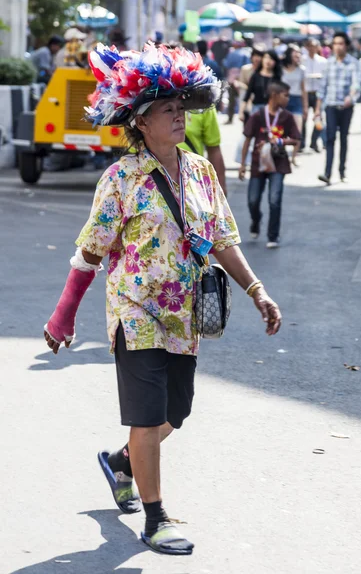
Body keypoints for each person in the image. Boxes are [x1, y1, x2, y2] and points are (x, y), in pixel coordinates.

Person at [43, 42, 282, 556]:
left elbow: (222, 239)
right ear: (140, 121)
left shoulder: (200, 172)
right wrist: (63, 317)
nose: (179, 116)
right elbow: (89, 252)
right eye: (166, 109)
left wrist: (258, 291)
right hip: (136, 311)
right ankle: (155, 517)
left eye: (181, 107)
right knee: (147, 415)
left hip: (185, 315)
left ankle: (122, 463)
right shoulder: (120, 179)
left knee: (179, 409)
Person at [239, 81, 301, 247]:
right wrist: (242, 165)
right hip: (258, 163)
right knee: (253, 200)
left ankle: (273, 235)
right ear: (275, 95)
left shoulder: (287, 117)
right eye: (285, 95)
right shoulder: (258, 115)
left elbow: (296, 139)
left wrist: (280, 141)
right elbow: (247, 140)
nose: (288, 99)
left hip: (278, 163)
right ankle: (256, 220)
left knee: (275, 199)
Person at [315, 31, 361, 185]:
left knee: (343, 138)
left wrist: (351, 97)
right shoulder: (328, 63)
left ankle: (342, 171)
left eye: (341, 43)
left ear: (346, 46)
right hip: (331, 105)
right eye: (335, 44)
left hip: (346, 107)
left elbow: (356, 84)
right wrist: (317, 109)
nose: (338, 47)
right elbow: (322, 88)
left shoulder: (353, 63)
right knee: (330, 138)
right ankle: (327, 172)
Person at [178, 107, 227, 195]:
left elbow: (214, 149)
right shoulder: (151, 100)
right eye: (168, 110)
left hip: (193, 183)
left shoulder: (204, 102)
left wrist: (220, 188)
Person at [282, 45, 308, 165]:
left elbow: (304, 89)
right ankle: (280, 154)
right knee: (279, 130)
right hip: (282, 100)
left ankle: (294, 156)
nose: (298, 55)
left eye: (299, 52)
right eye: (295, 52)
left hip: (296, 100)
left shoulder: (301, 69)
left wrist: (305, 106)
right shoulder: (280, 68)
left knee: (298, 130)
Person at [239, 49, 282, 120]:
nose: (268, 61)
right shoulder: (255, 76)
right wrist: (241, 111)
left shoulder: (277, 77)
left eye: (271, 59)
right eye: (266, 58)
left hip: (272, 109)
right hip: (256, 109)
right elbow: (247, 95)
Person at [302, 39, 327, 152]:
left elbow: (325, 77)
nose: (312, 49)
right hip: (306, 92)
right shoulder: (302, 60)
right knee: (303, 118)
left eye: (314, 46)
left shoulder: (322, 61)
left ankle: (314, 141)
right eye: (310, 46)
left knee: (318, 119)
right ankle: (302, 143)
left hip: (317, 93)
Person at [223, 38, 251, 124]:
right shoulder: (246, 53)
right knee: (245, 99)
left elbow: (226, 64)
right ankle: (247, 118)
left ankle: (230, 118)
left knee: (231, 100)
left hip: (231, 79)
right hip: (243, 79)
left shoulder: (231, 54)